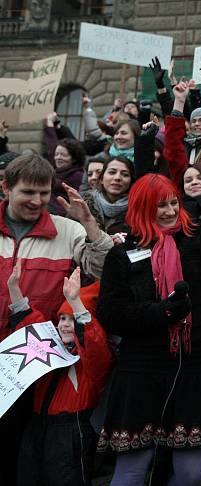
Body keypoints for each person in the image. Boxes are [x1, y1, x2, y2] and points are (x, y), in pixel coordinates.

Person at [96, 173, 201, 486]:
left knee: (191, 473)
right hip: (141, 365)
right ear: (143, 207)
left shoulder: (199, 240)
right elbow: (111, 313)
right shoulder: (121, 254)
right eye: (160, 206)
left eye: (173, 203)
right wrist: (162, 312)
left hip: (195, 362)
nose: (170, 211)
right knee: (132, 469)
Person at [0, 154, 112, 483]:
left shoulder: (68, 230)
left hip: (36, 371)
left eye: (44, 193)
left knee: (17, 459)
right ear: (5, 187)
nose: (37, 201)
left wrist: (90, 223)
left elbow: (106, 270)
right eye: (28, 193)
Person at [9, 264, 112, 486]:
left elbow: (94, 341)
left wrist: (76, 303)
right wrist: (14, 289)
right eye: (62, 319)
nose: (65, 325)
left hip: (71, 434)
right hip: (36, 428)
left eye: (71, 320)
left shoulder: (93, 359)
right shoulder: (51, 347)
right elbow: (30, 325)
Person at [83, 157, 134, 235]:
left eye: (125, 174)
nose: (117, 178)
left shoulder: (137, 210)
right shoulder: (84, 204)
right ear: (101, 179)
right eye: (112, 172)